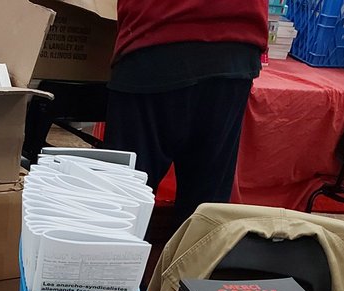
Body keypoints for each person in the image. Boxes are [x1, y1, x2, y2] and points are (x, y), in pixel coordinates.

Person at [104, 0, 268, 227]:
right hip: (233, 43)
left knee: (124, 202)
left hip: (157, 36)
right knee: (204, 206)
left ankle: (113, 255)